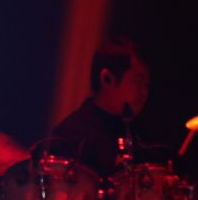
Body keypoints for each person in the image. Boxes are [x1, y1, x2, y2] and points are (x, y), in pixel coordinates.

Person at [42, 38, 150, 178]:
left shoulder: (140, 138)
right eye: (138, 81)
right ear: (107, 79)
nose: (144, 93)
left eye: (147, 85)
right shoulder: (71, 136)